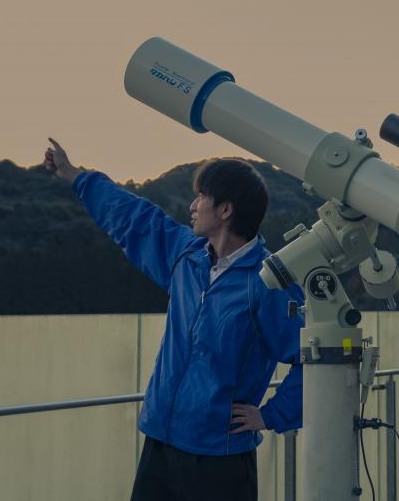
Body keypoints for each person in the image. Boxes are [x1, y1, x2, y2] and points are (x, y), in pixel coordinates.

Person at [44, 138, 304, 501]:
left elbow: (313, 358)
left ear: (226, 210)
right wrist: (74, 175)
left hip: (220, 458)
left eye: (201, 197)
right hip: (161, 442)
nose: (192, 206)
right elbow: (132, 217)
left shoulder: (268, 283)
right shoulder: (188, 255)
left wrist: (271, 415)